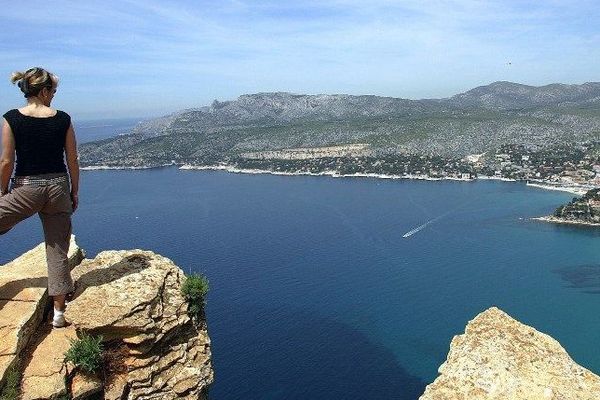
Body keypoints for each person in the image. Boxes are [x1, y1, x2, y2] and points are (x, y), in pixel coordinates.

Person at [0, 67, 79, 328]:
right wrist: (74, 191)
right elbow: (72, 159)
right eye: (53, 91)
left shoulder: (11, 118)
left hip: (27, 188)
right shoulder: (63, 119)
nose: (54, 95)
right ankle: (58, 314)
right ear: (44, 91)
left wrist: (2, 191)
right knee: (57, 251)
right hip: (58, 187)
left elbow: (6, 161)